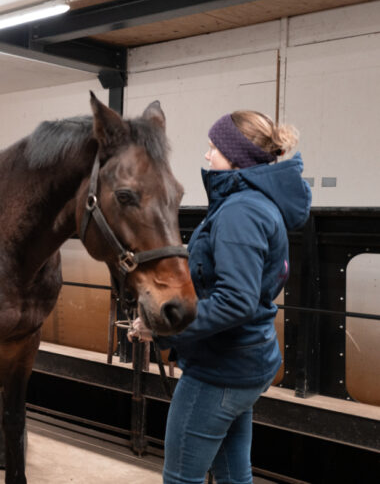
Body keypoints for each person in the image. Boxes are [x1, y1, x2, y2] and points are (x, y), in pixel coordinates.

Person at [130, 110, 312, 483]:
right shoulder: (255, 204)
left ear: (236, 156)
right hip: (245, 362)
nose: (208, 156)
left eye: (214, 148)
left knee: (182, 477)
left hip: (220, 370)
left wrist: (164, 328)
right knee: (233, 475)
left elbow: (235, 300)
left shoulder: (240, 211)